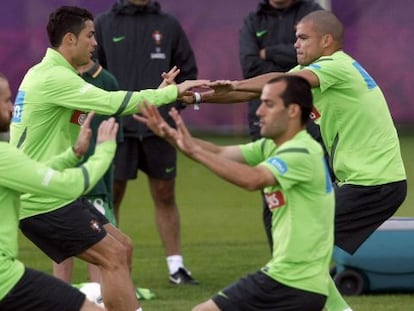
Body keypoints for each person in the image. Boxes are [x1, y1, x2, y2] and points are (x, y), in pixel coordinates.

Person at [192, 10, 407, 311]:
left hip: (374, 182)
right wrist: (195, 97)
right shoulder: (323, 69)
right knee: (306, 256)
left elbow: (278, 85)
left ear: (327, 40)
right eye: (296, 38)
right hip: (367, 182)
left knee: (300, 253)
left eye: (303, 37)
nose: (296, 44)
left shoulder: (335, 66)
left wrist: (236, 86)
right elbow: (267, 90)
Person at [9, 5, 207, 311]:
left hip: (54, 192)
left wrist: (158, 91)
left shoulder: (52, 74)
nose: (95, 43)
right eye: (90, 35)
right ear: (70, 40)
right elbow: (111, 102)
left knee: (123, 247)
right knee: (112, 255)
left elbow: (104, 104)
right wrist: (171, 93)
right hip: (43, 199)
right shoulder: (54, 78)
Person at [135, 75, 335, 311]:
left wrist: (196, 153)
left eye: (269, 104)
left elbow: (254, 179)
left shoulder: (300, 151)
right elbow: (219, 153)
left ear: (292, 111)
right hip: (299, 283)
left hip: (290, 280)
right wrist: (169, 135)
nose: (259, 111)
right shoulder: (272, 146)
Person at [94, 0, 199, 284]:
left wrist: (168, 109)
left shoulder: (168, 24)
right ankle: (112, 269)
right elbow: (91, 77)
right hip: (117, 128)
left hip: (158, 128)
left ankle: (176, 267)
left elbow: (187, 72)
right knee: (110, 198)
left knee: (165, 195)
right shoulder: (104, 24)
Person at [0, 72, 117, 311]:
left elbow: (33, 174)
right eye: (6, 101)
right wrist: (104, 151)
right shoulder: (3, 156)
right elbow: (68, 185)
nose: (13, 109)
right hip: (5, 279)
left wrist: (72, 155)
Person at [239, 0, 324, 248]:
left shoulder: (312, 11)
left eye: (301, 40)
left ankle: (314, 257)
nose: (298, 44)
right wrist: (292, 68)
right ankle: (280, 259)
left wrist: (269, 52)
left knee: (315, 188)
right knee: (272, 192)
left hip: (310, 117)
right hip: (267, 119)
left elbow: (317, 61)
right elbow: (250, 67)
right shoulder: (253, 19)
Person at [53, 58, 121, 285]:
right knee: (61, 247)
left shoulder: (108, 80)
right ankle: (61, 299)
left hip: (96, 183)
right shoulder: (61, 79)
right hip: (63, 179)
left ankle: (101, 299)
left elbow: (114, 137)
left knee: (98, 247)